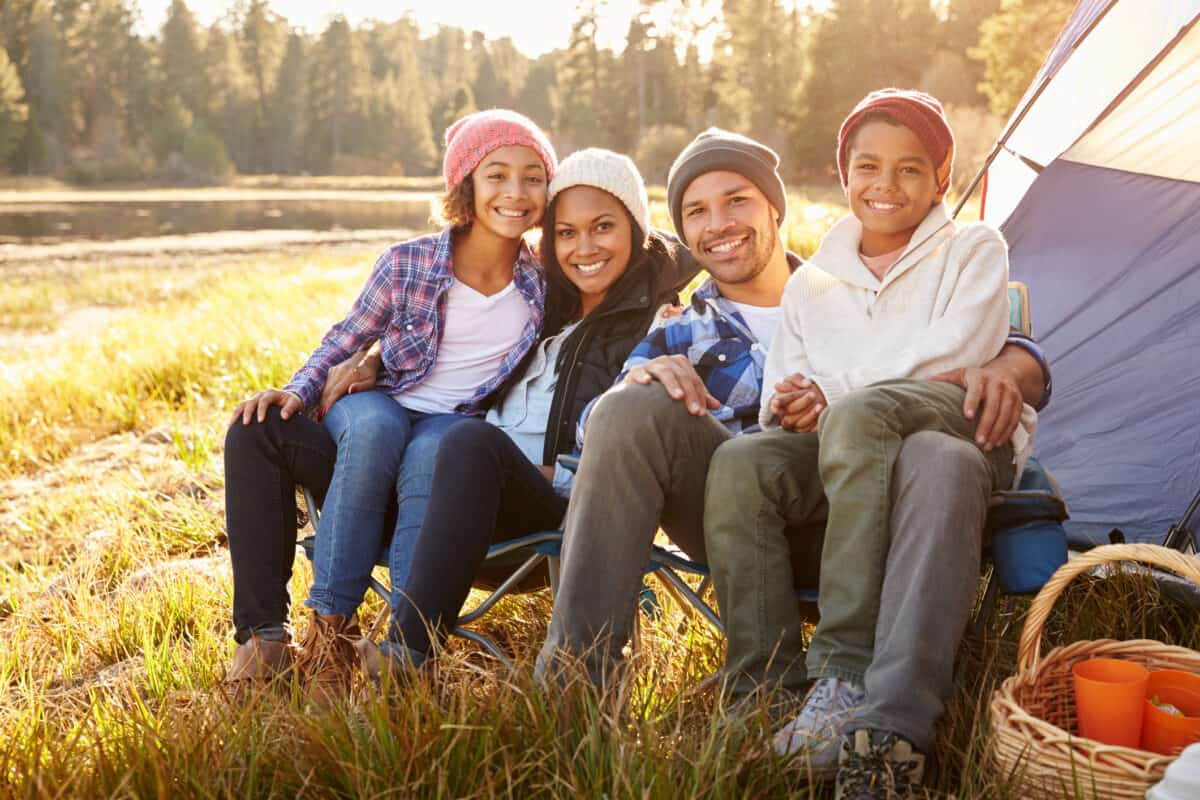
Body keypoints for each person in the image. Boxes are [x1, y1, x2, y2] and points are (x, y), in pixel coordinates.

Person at [532, 126, 1050, 708]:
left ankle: (875, 706)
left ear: (774, 209)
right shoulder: (678, 329)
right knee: (631, 407)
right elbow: (598, 440)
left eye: (736, 201)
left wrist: (1017, 360)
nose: (718, 224)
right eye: (696, 212)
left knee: (926, 449)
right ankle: (576, 685)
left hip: (888, 513)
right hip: (742, 533)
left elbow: (961, 343)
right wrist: (637, 382)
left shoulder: (851, 279)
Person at [703, 89, 1038, 799]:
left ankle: (847, 666)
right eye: (869, 167)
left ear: (942, 178)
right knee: (741, 462)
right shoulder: (813, 279)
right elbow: (780, 394)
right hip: (849, 440)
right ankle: (763, 692)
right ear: (845, 172)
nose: (887, 185)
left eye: (911, 169)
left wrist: (837, 391)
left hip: (955, 417)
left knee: (860, 416)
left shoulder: (972, 247)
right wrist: (794, 400)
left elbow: (959, 352)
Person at [221, 110, 556, 699]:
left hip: (454, 429)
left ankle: (404, 654)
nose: (516, 192)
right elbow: (345, 339)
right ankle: (322, 635)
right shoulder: (409, 262)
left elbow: (630, 245)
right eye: (497, 175)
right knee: (327, 430)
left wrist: (671, 312)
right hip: (378, 404)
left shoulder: (543, 284)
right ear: (467, 185)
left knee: (436, 453)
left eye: (533, 177)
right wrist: (300, 390)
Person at [374, 148, 698, 671]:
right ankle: (301, 633)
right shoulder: (541, 303)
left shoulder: (661, 322)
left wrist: (520, 470)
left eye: (603, 227)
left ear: (636, 229)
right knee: (332, 441)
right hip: (462, 495)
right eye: (565, 233)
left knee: (467, 441)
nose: (583, 247)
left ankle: (408, 654)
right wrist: (369, 363)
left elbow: (629, 458)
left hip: (559, 512)